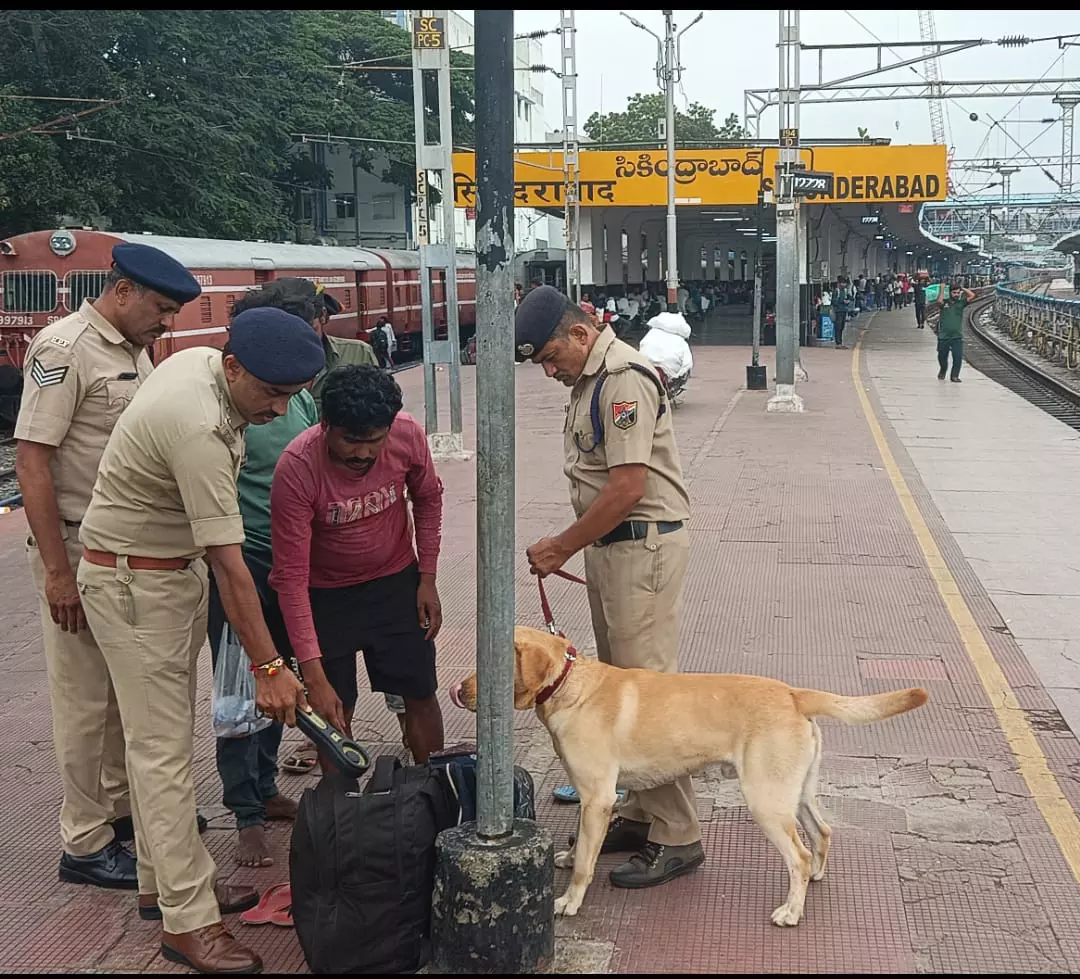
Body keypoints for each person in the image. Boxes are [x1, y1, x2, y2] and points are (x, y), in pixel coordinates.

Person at [75, 307, 325, 974]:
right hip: (138, 586)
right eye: (269, 394)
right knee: (160, 753)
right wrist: (269, 664)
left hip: (158, 575)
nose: (277, 410)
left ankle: (166, 885)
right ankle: (189, 923)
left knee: (153, 744)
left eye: (290, 396)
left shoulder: (200, 367)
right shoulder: (200, 428)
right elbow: (231, 565)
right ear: (234, 365)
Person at [15, 242, 201, 891]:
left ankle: (126, 816)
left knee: (125, 699)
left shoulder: (131, 350)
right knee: (85, 700)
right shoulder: (64, 349)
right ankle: (86, 840)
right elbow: (32, 461)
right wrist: (57, 573)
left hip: (119, 552)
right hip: (74, 547)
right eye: (161, 309)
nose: (167, 323)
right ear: (122, 291)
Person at [516, 285, 703, 891]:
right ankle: (642, 813)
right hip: (613, 547)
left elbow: (625, 486)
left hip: (638, 545)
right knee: (621, 681)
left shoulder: (621, 378)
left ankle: (677, 834)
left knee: (649, 695)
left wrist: (562, 546)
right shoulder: (589, 382)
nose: (550, 372)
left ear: (578, 333)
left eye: (550, 357)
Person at [269, 364, 446, 766]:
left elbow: (429, 498)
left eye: (375, 441)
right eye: (351, 441)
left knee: (419, 691)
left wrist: (427, 578)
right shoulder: (296, 469)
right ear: (325, 425)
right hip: (325, 595)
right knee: (333, 709)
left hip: (395, 582)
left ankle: (435, 790)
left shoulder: (407, 434)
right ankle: (340, 811)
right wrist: (312, 676)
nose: (364, 453)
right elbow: (291, 579)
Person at [203, 283, 321, 869]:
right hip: (240, 563)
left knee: (285, 684)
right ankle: (244, 811)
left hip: (291, 566)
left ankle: (268, 786)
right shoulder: (223, 410)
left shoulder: (294, 398)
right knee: (239, 690)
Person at [306, 286, 378, 410]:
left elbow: (380, 405)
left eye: (308, 327)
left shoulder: (359, 353)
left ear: (323, 315)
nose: (301, 337)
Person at [934, 280, 976, 383]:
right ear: (950, 293)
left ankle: (954, 376)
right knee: (942, 357)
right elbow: (939, 301)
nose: (956, 295)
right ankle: (943, 369)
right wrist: (942, 288)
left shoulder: (961, 303)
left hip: (957, 336)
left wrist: (962, 289)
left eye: (958, 293)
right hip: (944, 336)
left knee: (957, 357)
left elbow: (972, 295)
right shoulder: (945, 303)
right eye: (954, 293)